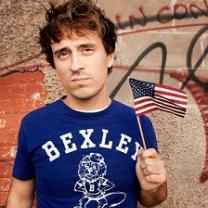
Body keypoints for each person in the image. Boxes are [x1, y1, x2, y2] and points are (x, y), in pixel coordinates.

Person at [6, 0, 167, 207]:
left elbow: (152, 199)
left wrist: (153, 186)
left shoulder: (138, 123)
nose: (75, 65)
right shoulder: (34, 125)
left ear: (109, 56)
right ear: (54, 63)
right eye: (63, 53)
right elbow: (20, 197)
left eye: (87, 49)